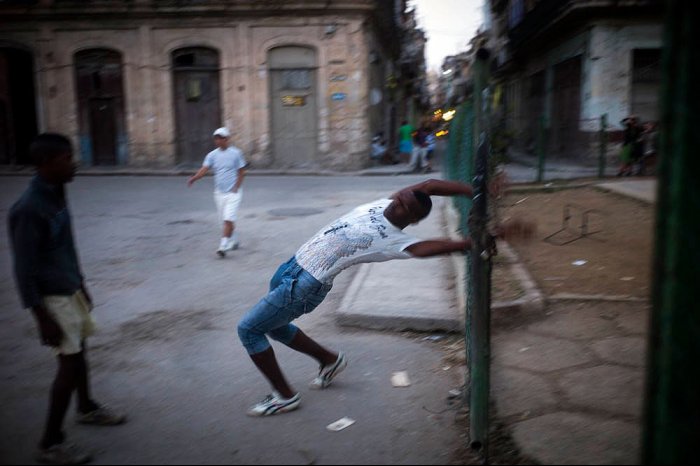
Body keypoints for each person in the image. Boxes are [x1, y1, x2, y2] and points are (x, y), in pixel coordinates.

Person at [237, 179, 532, 417]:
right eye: (402, 196)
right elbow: (428, 186)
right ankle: (329, 360)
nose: (399, 201)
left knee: (249, 329)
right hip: (292, 266)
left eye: (405, 206)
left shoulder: (397, 241)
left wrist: (487, 238)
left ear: (412, 220)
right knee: (274, 326)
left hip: (303, 286)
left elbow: (434, 247)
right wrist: (478, 189)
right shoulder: (389, 202)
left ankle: (285, 397)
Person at [8, 134, 126, 465]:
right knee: (68, 363)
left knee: (81, 348)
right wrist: (41, 316)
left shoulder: (56, 193)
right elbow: (23, 269)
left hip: (69, 287)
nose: (73, 163)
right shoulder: (29, 209)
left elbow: (65, 246)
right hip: (52, 298)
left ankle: (86, 407)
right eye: (66, 158)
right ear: (46, 164)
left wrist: (81, 283)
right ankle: (50, 443)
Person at [188, 127, 247, 258]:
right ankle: (234, 240)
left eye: (220, 138)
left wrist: (236, 186)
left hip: (233, 192)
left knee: (228, 218)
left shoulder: (236, 153)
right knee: (225, 220)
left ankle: (223, 246)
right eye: (216, 138)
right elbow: (204, 169)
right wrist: (194, 178)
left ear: (227, 139)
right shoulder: (212, 155)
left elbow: (241, 171)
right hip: (219, 193)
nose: (218, 140)